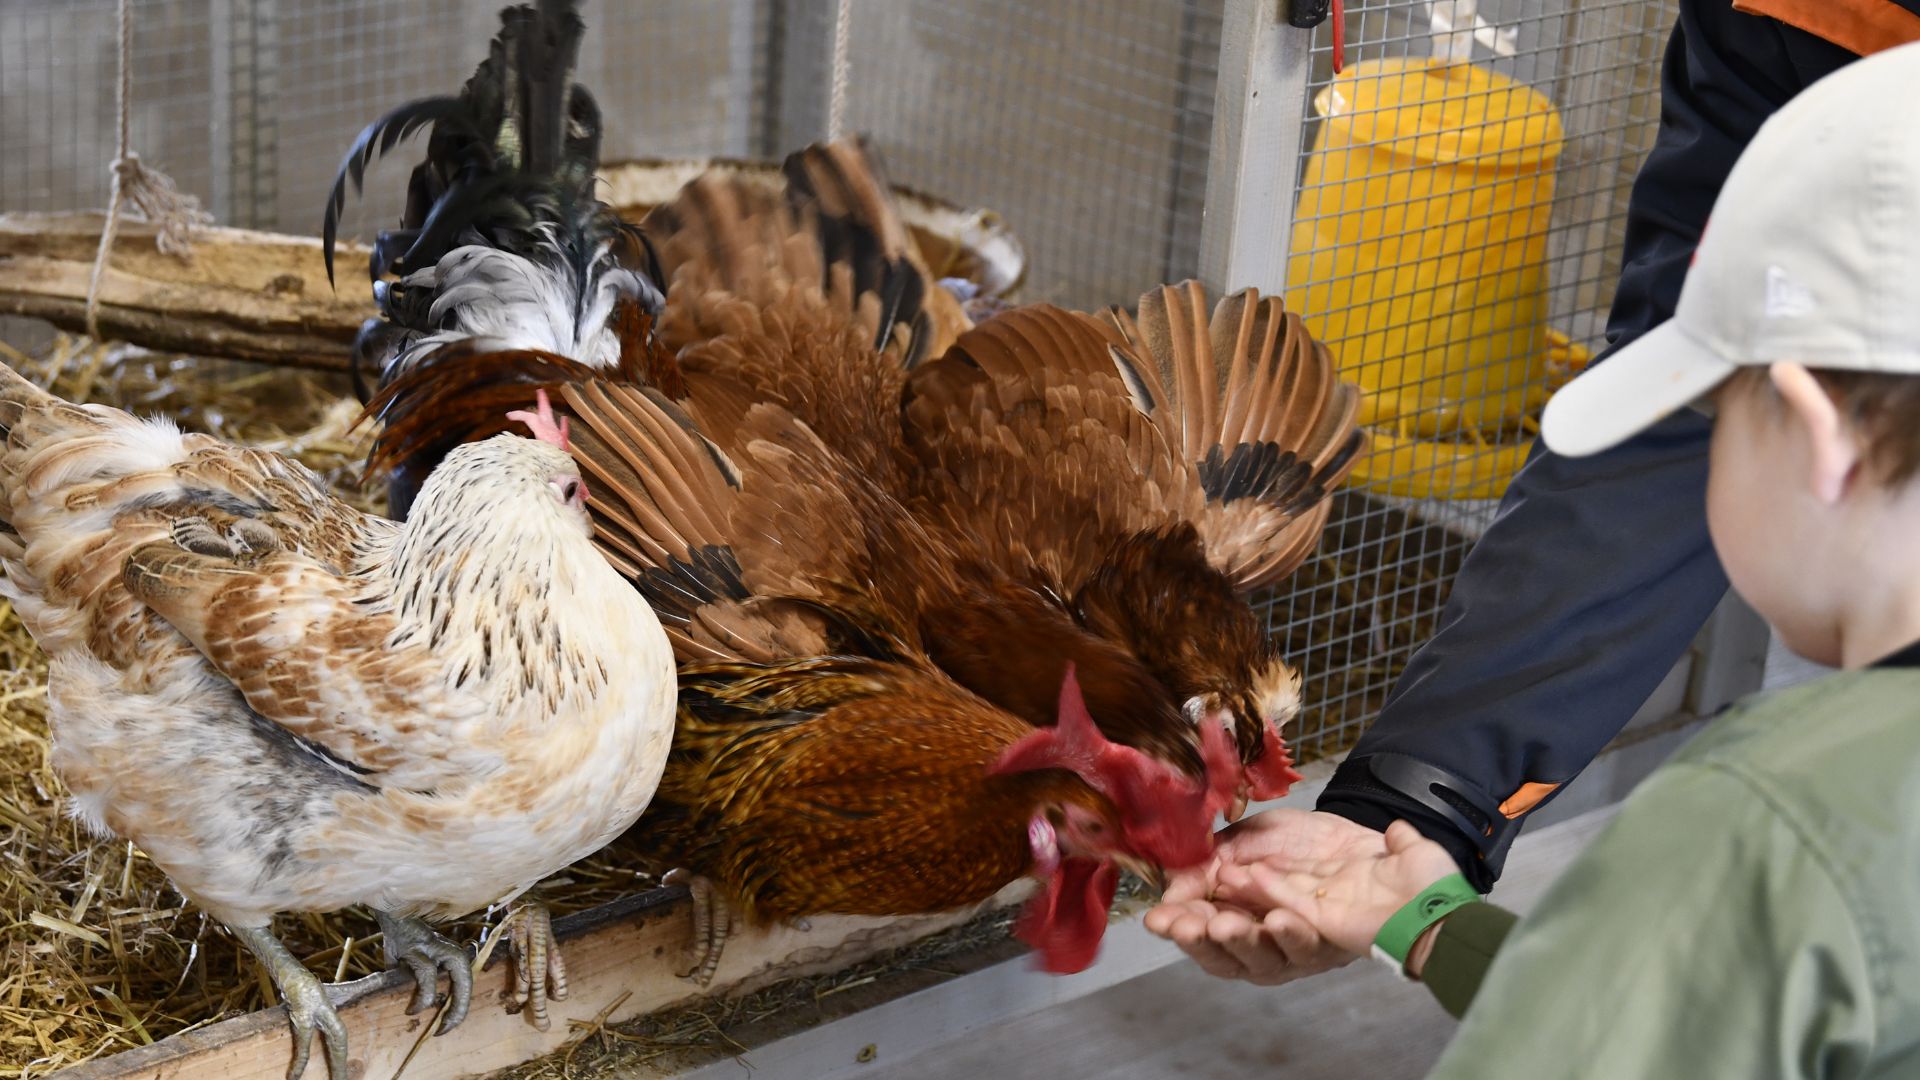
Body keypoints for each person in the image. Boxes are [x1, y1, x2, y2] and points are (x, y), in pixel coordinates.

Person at [1145, 0, 1920, 985]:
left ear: (1823, 448)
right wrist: (1415, 811)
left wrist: (1428, 920)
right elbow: (1673, 418)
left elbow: (1627, 1048)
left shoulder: (1768, 829)